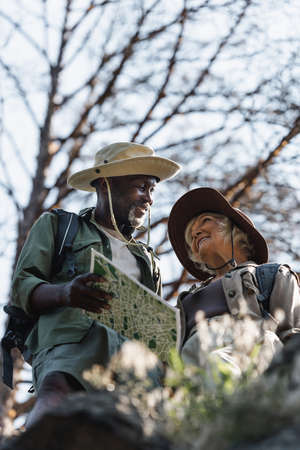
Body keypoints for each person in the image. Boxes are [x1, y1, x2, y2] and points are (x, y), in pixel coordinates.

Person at [11, 142, 181, 426]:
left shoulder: (148, 259)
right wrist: (66, 293)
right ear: (105, 185)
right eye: (140, 187)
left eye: (152, 190)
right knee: (57, 399)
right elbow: (22, 287)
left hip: (135, 367)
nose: (148, 199)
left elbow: (157, 324)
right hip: (72, 346)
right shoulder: (60, 226)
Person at [168, 187, 300, 372]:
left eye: (205, 221)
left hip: (249, 356)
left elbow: (293, 337)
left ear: (235, 230)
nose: (196, 233)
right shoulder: (185, 299)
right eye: (192, 234)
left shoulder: (271, 275)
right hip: (192, 363)